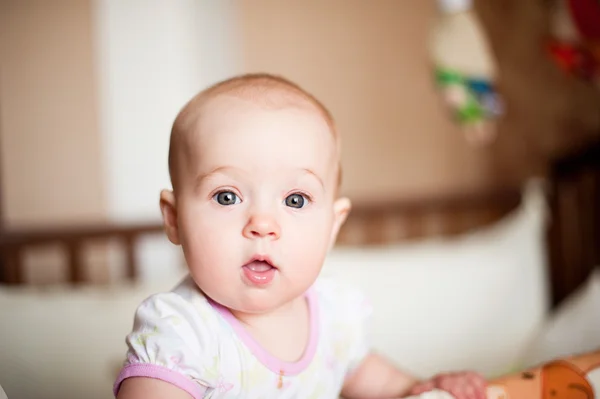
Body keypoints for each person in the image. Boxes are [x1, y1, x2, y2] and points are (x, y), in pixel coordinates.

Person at [114, 73, 487, 399]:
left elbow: (391, 387)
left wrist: (431, 387)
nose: (262, 223)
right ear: (175, 219)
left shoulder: (335, 317)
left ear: (333, 226)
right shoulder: (182, 333)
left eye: (295, 199)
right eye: (226, 196)